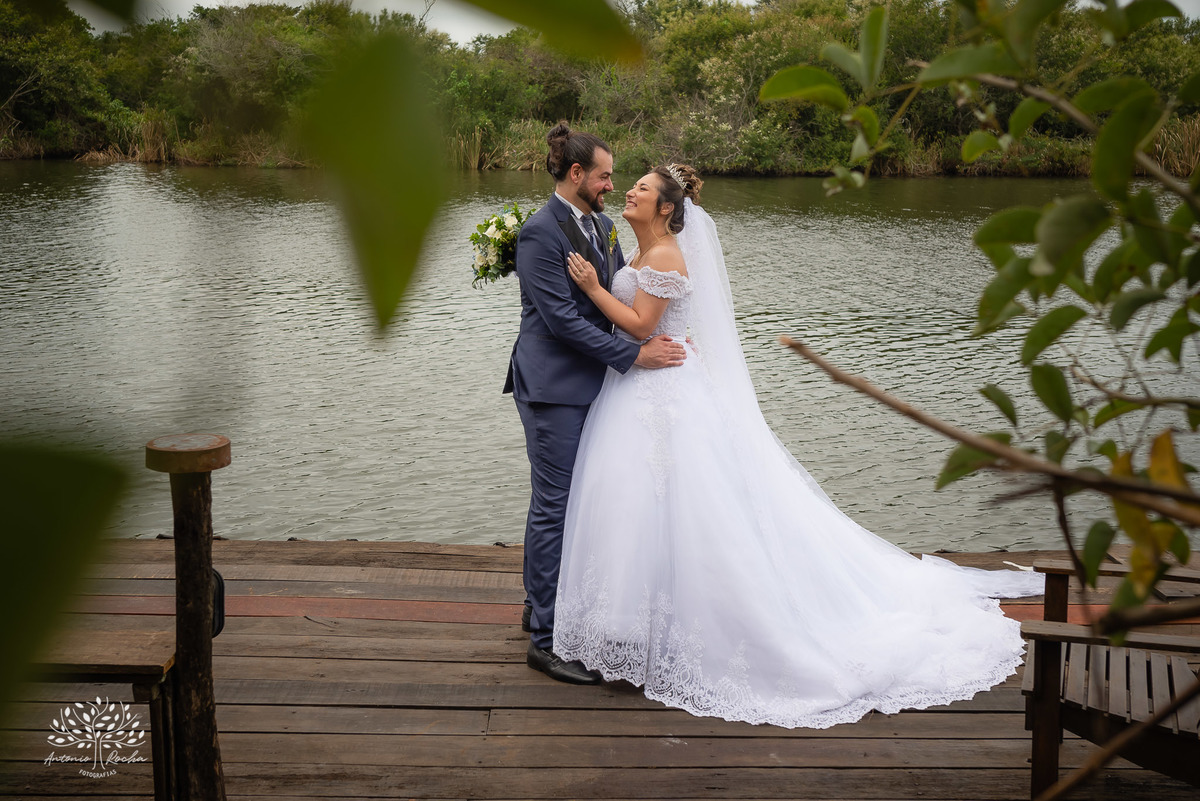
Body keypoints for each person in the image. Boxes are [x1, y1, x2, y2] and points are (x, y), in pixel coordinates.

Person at [553, 163, 1044, 728]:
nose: (630, 192)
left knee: (687, 509)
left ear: (666, 207)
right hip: (635, 390)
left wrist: (591, 286)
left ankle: (689, 634)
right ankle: (632, 630)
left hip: (665, 391)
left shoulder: (664, 256)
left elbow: (641, 327)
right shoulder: (634, 254)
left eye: (640, 187)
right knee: (635, 507)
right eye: (630, 183)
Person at [504, 124, 687, 685]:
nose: (612, 186)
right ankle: (543, 637)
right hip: (554, 385)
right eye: (606, 176)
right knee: (555, 504)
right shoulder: (539, 233)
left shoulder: (604, 227)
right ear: (577, 174)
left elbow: (617, 296)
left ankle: (555, 610)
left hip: (599, 389)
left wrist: (653, 340)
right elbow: (560, 320)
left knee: (585, 502)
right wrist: (633, 356)